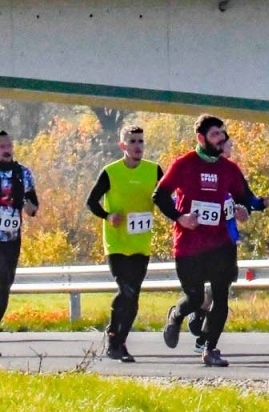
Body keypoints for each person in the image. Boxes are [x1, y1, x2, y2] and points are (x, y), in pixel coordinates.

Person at [155, 114, 254, 367]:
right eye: (215, 135)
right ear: (201, 138)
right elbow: (160, 195)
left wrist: (244, 210)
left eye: (223, 133)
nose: (222, 139)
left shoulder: (229, 169)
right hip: (189, 246)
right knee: (196, 298)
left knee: (221, 298)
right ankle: (176, 315)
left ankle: (210, 349)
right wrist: (180, 217)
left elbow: (245, 198)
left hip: (221, 245)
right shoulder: (184, 164)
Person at [84, 123, 163, 361]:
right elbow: (91, 202)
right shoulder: (111, 172)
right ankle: (113, 337)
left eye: (140, 141)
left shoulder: (154, 170)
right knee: (125, 290)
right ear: (122, 145)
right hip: (116, 243)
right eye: (132, 142)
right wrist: (108, 216)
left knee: (134, 295)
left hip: (141, 244)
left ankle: (120, 340)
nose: (137, 146)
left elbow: (169, 196)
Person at [187, 131, 267, 353]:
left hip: (226, 243)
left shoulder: (232, 172)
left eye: (227, 145)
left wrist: (255, 206)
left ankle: (204, 338)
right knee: (204, 293)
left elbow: (246, 198)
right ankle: (197, 311)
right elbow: (180, 199)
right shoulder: (196, 170)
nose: (226, 149)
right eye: (222, 145)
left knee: (220, 291)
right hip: (201, 242)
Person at [0, 129, 40, 328]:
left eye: (8, 146)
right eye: (1, 147)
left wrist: (30, 208)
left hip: (12, 238)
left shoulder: (22, 173)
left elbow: (33, 204)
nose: (6, 150)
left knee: (5, 285)